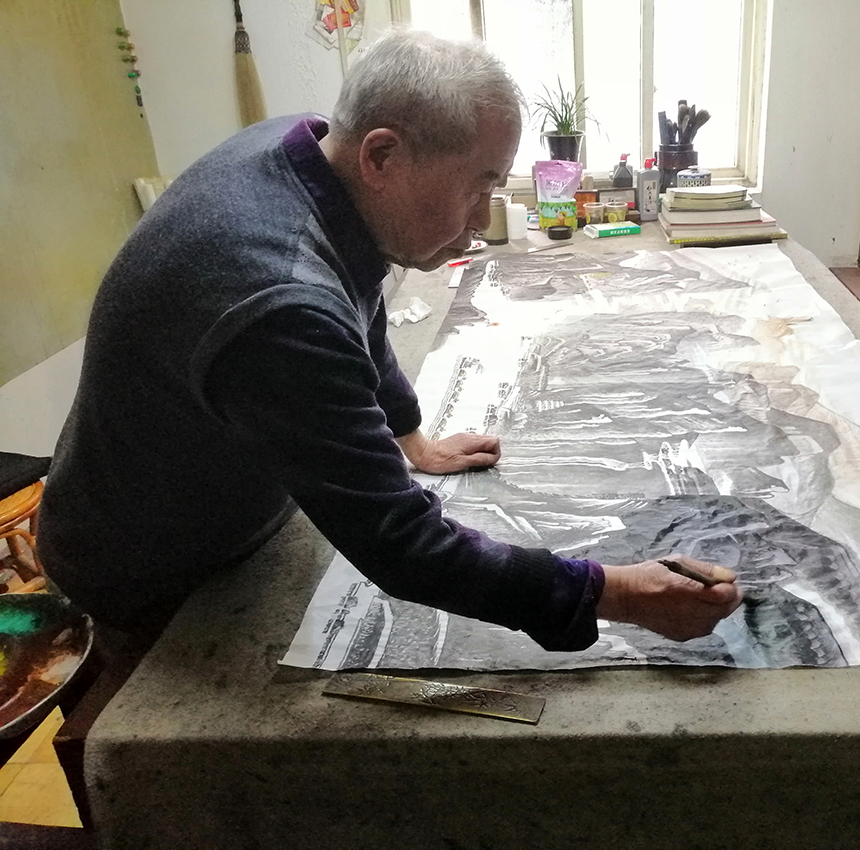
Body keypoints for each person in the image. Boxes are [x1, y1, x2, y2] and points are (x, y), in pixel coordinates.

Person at [38, 29, 741, 655]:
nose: (482, 218)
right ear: (382, 155)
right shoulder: (279, 305)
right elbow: (401, 544)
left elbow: (360, 291)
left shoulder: (309, 154)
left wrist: (411, 437)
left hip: (223, 505)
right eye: (476, 188)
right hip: (154, 570)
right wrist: (613, 593)